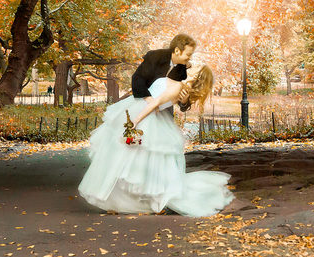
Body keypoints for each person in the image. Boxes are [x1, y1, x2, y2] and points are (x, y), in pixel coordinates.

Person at [78, 65, 234, 217]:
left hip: (147, 119)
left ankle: (154, 200)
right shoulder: (182, 88)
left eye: (193, 69)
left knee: (133, 160)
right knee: (141, 162)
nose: (189, 68)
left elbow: (155, 105)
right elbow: (161, 106)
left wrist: (135, 120)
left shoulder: (178, 87)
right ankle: (150, 200)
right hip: (152, 118)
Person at [131, 34, 196, 116]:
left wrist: (184, 101)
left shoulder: (182, 70)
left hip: (163, 112)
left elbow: (178, 101)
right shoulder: (155, 56)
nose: (190, 58)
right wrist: (149, 100)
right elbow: (137, 78)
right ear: (177, 51)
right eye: (188, 54)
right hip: (142, 105)